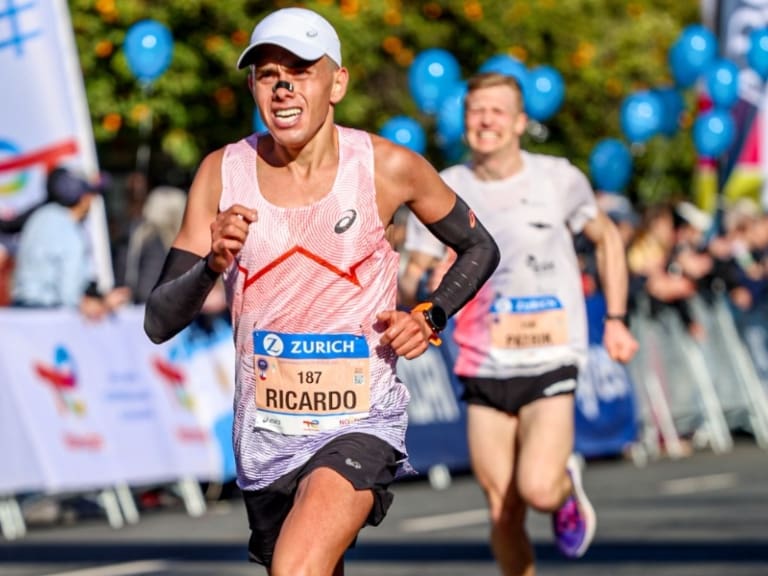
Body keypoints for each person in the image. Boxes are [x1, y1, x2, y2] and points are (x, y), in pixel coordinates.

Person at [143, 7, 499, 576]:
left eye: (301, 69)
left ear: (337, 83)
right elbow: (159, 320)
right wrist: (212, 263)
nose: (282, 85)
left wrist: (431, 315)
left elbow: (481, 247)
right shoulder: (221, 172)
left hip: (360, 421)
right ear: (252, 87)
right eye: (266, 73)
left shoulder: (386, 167)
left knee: (297, 568)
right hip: (264, 439)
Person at [401, 72, 638, 575]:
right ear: (464, 121)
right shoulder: (446, 185)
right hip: (480, 361)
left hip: (549, 355)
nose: (485, 121)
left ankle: (564, 484)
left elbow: (608, 239)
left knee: (535, 487)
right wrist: (418, 291)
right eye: (475, 111)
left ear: (520, 122)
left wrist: (616, 319)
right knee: (502, 509)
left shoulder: (557, 178)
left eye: (497, 111)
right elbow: (413, 276)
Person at [11, 166, 129, 318]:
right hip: (48, 315)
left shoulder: (38, 217)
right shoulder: (70, 231)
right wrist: (105, 303)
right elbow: (70, 295)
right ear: (84, 198)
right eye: (92, 194)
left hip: (20, 311)